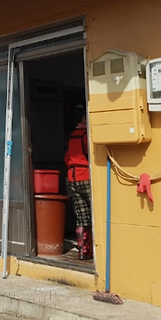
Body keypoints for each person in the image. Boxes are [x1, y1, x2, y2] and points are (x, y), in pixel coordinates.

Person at [64, 106, 93, 260]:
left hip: (72, 178)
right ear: (84, 119)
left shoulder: (72, 136)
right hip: (86, 176)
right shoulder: (85, 135)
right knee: (95, 212)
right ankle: (95, 248)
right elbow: (93, 155)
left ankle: (83, 251)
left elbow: (67, 158)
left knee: (81, 215)